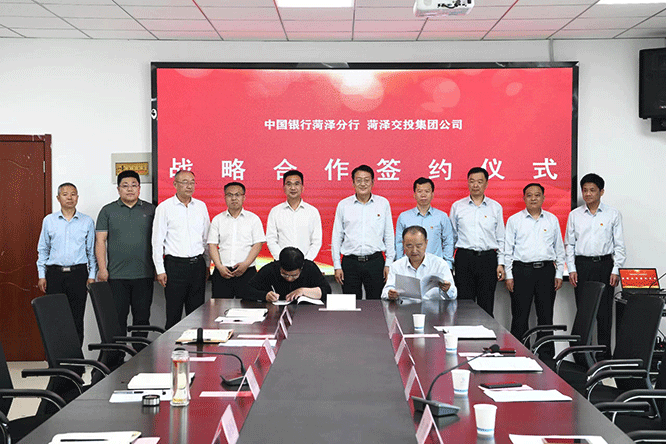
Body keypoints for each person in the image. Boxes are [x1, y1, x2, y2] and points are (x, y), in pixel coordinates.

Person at [565, 173, 625, 356]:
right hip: (582, 266)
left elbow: (619, 245)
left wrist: (616, 270)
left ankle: (604, 357)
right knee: (584, 313)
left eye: (592, 190)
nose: (588, 194)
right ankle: (583, 359)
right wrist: (571, 269)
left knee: (604, 314)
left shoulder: (613, 214)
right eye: (585, 190)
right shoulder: (575, 215)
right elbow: (569, 245)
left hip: (605, 266)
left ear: (601, 192)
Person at [504, 183, 565, 358]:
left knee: (546, 316)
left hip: (546, 271)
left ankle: (546, 357)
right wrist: (509, 275)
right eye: (529, 195)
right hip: (521, 271)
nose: (533, 198)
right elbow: (508, 250)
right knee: (519, 316)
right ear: (524, 198)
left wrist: (559, 273)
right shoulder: (514, 220)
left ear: (543, 198)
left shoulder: (552, 220)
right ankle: (519, 354)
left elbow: (559, 249)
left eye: (537, 195)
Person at [95, 170, 155, 347]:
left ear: (139, 188)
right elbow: (100, 241)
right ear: (118, 189)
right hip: (116, 276)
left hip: (144, 274)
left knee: (142, 319)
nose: (130, 189)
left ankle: (139, 356)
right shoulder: (107, 211)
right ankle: (117, 357)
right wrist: (102, 269)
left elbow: (160, 240)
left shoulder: (151, 210)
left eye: (134, 185)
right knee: (117, 319)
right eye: (125, 186)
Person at [37, 182, 97, 345]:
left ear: (77, 197)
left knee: (77, 318)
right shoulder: (49, 220)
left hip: (78, 274)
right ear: (58, 198)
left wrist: (92, 276)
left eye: (73, 194)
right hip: (54, 274)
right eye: (65, 194)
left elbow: (91, 252)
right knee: (54, 318)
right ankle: (56, 358)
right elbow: (43, 249)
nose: (69, 197)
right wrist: (42, 275)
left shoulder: (87, 221)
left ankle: (75, 359)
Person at [152, 170, 210, 330]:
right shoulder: (164, 208)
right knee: (173, 315)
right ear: (175, 184)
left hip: (197, 266)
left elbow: (206, 239)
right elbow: (157, 241)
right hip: (174, 267)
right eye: (184, 182)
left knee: (197, 316)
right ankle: (171, 346)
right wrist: (160, 270)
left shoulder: (201, 206)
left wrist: (207, 264)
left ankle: (196, 346)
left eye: (192, 182)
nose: (189, 186)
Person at [331, 164, 395, 300]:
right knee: (350, 304)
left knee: (376, 304)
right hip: (350, 263)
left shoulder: (383, 204)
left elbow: (389, 235)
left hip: (375, 262)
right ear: (353, 183)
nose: (363, 184)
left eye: (366, 180)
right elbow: (337, 236)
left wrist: (389, 263)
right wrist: (337, 265)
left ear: (373, 182)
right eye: (359, 180)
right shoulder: (344, 205)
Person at [449, 167, 505, 316]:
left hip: (488, 259)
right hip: (464, 259)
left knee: (486, 304)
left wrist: (501, 263)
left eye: (480, 182)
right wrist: (449, 263)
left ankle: (486, 332)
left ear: (486, 184)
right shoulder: (457, 206)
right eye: (472, 181)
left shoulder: (495, 207)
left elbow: (501, 238)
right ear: (467, 183)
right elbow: (452, 237)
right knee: (464, 304)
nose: (475, 185)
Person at [208, 182, 265, 299]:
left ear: (244, 197)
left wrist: (246, 264)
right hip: (222, 272)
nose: (233, 198)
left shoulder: (253, 219)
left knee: (247, 306)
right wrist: (219, 266)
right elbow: (212, 245)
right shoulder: (217, 220)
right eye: (229, 195)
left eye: (237, 195)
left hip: (247, 271)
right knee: (220, 307)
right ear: (225, 197)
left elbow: (258, 244)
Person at [382, 226, 457, 301]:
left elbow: (453, 295)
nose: (414, 250)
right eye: (409, 246)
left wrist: (447, 289)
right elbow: (385, 292)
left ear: (426, 243)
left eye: (419, 246)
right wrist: (390, 294)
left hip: (433, 306)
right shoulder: (396, 266)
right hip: (405, 306)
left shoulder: (440, 264)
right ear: (403, 244)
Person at [395, 177, 454, 268]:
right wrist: (399, 264)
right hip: (410, 266)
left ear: (432, 194)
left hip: (435, 266)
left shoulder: (442, 216)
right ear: (414, 194)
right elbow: (399, 243)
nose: (423, 195)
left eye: (427, 191)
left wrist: (448, 264)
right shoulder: (404, 217)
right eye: (419, 191)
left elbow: (448, 242)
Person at [266, 170, 322, 261]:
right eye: (289, 184)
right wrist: (282, 259)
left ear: (302, 188)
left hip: (306, 263)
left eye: (296, 184)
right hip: (281, 264)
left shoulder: (312, 212)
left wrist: (306, 261)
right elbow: (271, 240)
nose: (293, 188)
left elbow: (316, 241)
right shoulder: (275, 212)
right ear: (284, 188)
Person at [247, 246, 331, 303]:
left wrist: (302, 291)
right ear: (280, 266)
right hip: (276, 313)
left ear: (301, 268)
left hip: (306, 313)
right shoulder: (271, 269)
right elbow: (246, 290)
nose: (289, 279)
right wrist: (265, 296)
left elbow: (327, 291)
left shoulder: (310, 268)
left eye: (294, 275)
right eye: (285, 274)